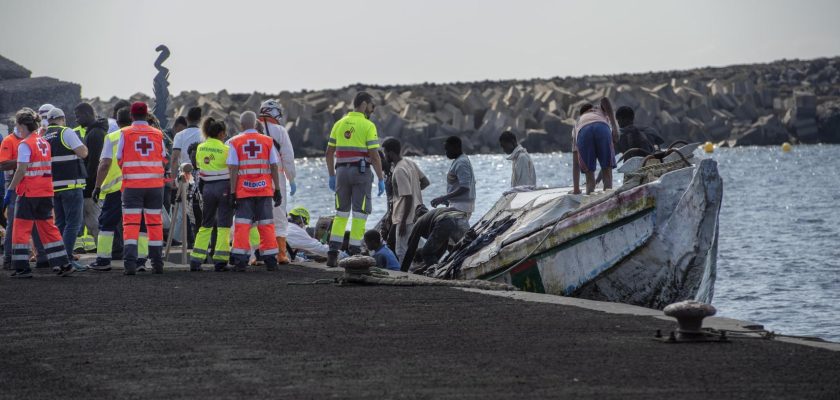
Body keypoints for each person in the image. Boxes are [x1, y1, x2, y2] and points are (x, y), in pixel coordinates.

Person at [8, 109, 76, 278]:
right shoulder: (43, 142)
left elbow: (21, 169)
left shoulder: (25, 144)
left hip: (28, 192)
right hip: (45, 191)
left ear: (23, 125)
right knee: (48, 228)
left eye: (17, 125)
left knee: (21, 229)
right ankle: (63, 263)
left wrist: (10, 190)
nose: (17, 128)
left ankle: (21, 267)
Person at [324, 91, 385, 267]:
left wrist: (331, 176)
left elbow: (329, 153)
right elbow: (374, 156)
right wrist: (381, 178)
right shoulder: (368, 125)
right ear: (364, 104)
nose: (373, 110)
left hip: (341, 172)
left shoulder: (339, 123)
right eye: (372, 106)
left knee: (341, 214)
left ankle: (332, 254)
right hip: (361, 172)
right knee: (360, 214)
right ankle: (354, 253)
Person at [227, 111, 283, 272]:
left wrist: (232, 192)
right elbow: (273, 165)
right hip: (264, 190)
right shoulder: (267, 141)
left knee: (242, 226)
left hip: (244, 191)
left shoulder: (235, 142)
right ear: (255, 123)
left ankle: (240, 261)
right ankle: (271, 260)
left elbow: (233, 167)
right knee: (266, 226)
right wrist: (277, 189)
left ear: (241, 124)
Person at [115, 102, 167, 275]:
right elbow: (163, 158)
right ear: (147, 115)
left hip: (132, 187)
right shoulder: (158, 134)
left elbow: (119, 158)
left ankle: (130, 265)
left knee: (130, 225)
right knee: (155, 224)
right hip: (155, 187)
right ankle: (157, 264)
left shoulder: (125, 133)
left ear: (131, 116)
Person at [1, 108, 48, 270]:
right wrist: (23, 160)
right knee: (14, 223)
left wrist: (26, 159)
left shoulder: (31, 141)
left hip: (31, 186)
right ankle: (8, 259)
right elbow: (3, 164)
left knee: (36, 222)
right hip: (17, 185)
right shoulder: (10, 141)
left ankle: (42, 257)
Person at [42, 108, 89, 269]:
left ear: (49, 121)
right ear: (62, 118)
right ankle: (66, 259)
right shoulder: (66, 132)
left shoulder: (43, 136)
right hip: (71, 185)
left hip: (52, 187)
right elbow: (83, 153)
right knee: (73, 224)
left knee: (60, 224)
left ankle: (57, 259)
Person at [88, 108, 134, 271]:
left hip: (115, 189)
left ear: (116, 120)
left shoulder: (112, 137)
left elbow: (104, 165)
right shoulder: (140, 136)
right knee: (134, 224)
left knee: (107, 224)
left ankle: (103, 260)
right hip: (136, 187)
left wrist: (97, 187)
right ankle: (138, 259)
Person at [189, 117, 233, 272]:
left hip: (207, 188)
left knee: (205, 224)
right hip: (224, 189)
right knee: (223, 225)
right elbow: (233, 169)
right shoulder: (226, 149)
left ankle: (195, 259)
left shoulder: (200, 148)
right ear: (221, 134)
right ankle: (220, 261)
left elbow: (199, 165)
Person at [258, 99, 296, 265]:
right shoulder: (280, 130)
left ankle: (255, 255)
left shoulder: (252, 130)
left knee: (256, 214)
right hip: (277, 177)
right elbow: (287, 156)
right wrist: (291, 178)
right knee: (279, 214)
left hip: (255, 176)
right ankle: (280, 254)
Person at [381, 138, 429, 261]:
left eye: (385, 153)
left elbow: (407, 197)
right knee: (415, 245)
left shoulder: (399, 170)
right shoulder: (409, 163)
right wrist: (414, 190)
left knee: (401, 250)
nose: (385, 155)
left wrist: (402, 221)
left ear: (391, 153)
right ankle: (423, 265)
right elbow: (425, 182)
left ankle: (405, 275)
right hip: (414, 213)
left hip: (404, 217)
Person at [75, 102, 109, 253]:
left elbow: (94, 163)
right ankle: (103, 251)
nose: (76, 120)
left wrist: (89, 185)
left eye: (78, 116)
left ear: (88, 115)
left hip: (92, 186)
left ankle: (104, 252)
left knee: (94, 220)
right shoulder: (94, 132)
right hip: (94, 184)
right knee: (92, 220)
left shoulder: (95, 134)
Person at [170, 107, 203, 246]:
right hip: (201, 174)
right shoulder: (204, 134)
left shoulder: (180, 135)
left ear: (187, 119)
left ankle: (182, 239)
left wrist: (172, 178)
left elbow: (174, 157)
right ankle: (197, 240)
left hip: (185, 174)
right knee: (199, 207)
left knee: (183, 208)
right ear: (200, 119)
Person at [572, 98, 619, 195]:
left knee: (589, 179)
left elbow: (575, 162)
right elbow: (605, 99)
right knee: (607, 174)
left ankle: (590, 204)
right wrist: (614, 126)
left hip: (583, 132)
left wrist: (576, 189)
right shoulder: (599, 109)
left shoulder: (577, 123)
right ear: (591, 108)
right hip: (601, 127)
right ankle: (608, 200)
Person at [399, 207, 470, 272]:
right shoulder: (433, 215)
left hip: (447, 219)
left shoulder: (419, 221)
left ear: (416, 218)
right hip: (462, 218)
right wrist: (425, 268)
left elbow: (411, 248)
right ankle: (466, 269)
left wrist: (403, 270)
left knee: (426, 253)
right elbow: (441, 251)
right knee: (465, 248)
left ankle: (435, 273)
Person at [431, 136, 476, 219]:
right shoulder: (459, 161)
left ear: (456, 148)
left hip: (461, 207)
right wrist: (447, 199)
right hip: (458, 205)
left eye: (447, 149)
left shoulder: (461, 163)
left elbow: (465, 187)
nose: (446, 152)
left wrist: (443, 198)